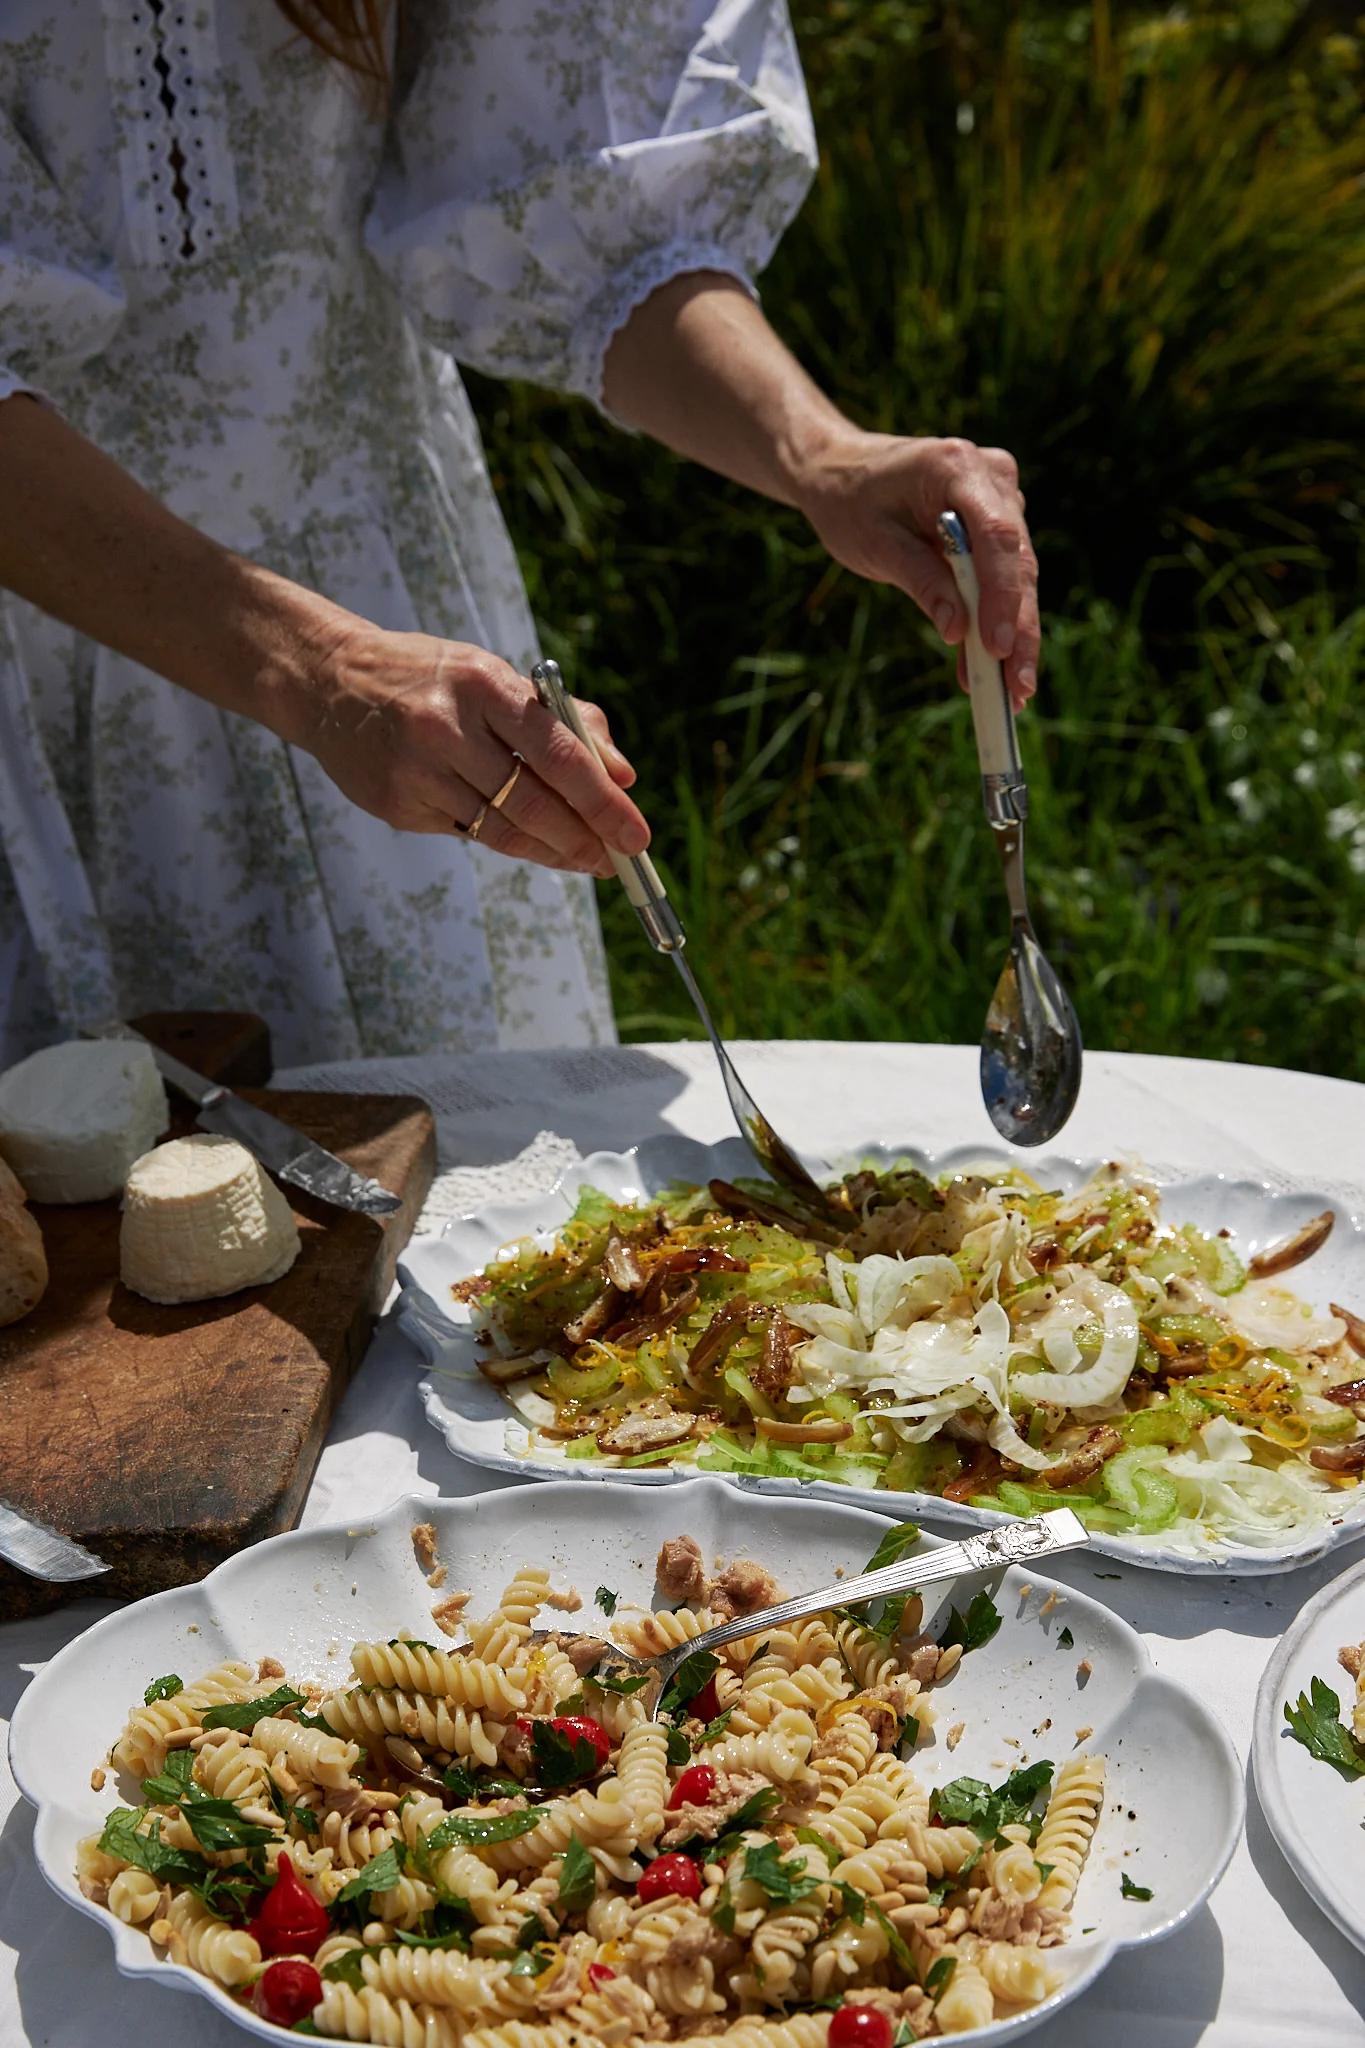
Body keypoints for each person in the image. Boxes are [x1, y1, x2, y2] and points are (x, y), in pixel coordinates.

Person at [0, 0, 1038, 1069]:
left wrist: (825, 457)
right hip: (56, 633)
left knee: (467, 1197)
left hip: (398, 623)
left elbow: (581, 177)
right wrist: (316, 668)